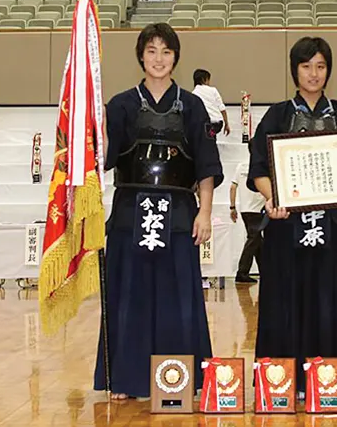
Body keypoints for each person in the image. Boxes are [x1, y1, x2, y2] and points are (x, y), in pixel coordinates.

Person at [94, 23, 223, 400]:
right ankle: (125, 378)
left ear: (175, 58)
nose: (158, 59)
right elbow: (104, 156)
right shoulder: (120, 104)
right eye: (151, 51)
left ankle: (182, 378)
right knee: (128, 293)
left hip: (180, 213)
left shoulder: (193, 105)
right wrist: (91, 124)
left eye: (166, 52)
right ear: (140, 56)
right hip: (130, 212)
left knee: (178, 296)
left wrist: (205, 213)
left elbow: (206, 165)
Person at [247, 36, 337, 395]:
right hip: (287, 228)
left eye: (320, 66)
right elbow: (258, 170)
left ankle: (332, 381)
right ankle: (282, 381)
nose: (313, 74)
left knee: (332, 302)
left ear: (328, 70)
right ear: (294, 71)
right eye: (306, 66)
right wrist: (275, 198)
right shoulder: (278, 114)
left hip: (333, 229)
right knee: (283, 301)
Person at [230, 153, 265, 284]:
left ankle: (265, 270)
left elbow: (233, 187)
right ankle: (242, 273)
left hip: (245, 209)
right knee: (253, 240)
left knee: (257, 241)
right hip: (258, 209)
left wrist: (232, 207)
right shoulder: (261, 167)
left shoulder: (241, 166)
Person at [192, 69, 230, 137]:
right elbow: (222, 108)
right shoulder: (213, 90)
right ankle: (210, 137)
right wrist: (226, 123)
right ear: (204, 79)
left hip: (203, 125)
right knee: (210, 136)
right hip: (217, 124)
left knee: (207, 137)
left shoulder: (194, 93)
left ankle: (209, 138)